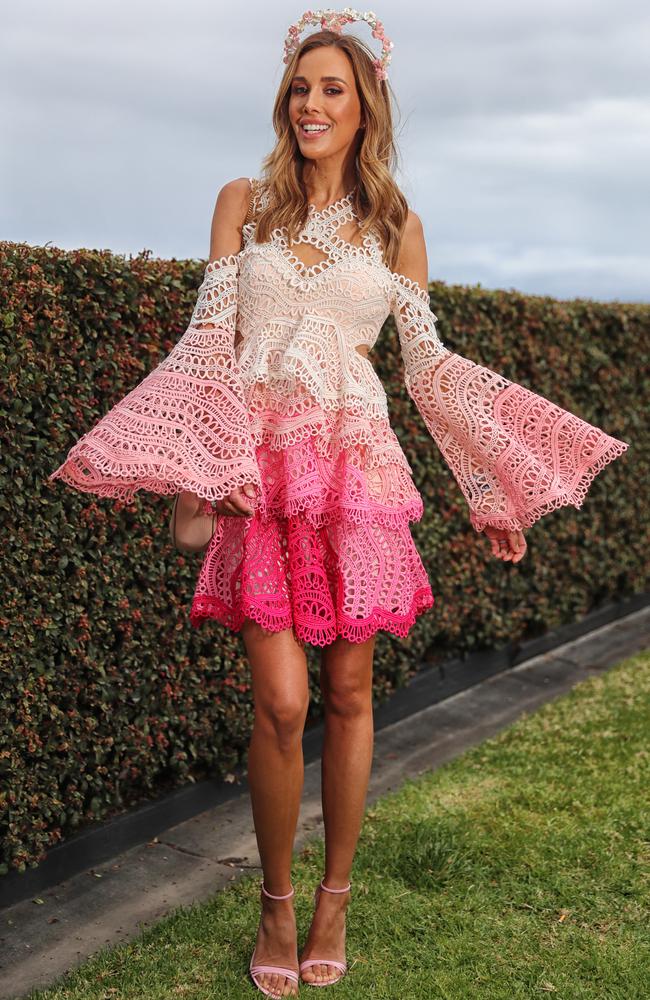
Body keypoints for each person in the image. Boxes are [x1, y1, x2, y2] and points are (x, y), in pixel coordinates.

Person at [48, 8, 629, 996]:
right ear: (284, 100)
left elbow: (429, 369)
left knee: (351, 695)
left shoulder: (396, 225)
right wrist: (203, 458)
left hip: (352, 477)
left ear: (365, 107)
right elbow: (207, 343)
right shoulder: (244, 202)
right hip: (261, 480)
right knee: (280, 705)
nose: (311, 104)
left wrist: (489, 486)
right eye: (300, 86)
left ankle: (333, 897)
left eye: (332, 89)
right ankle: (275, 900)